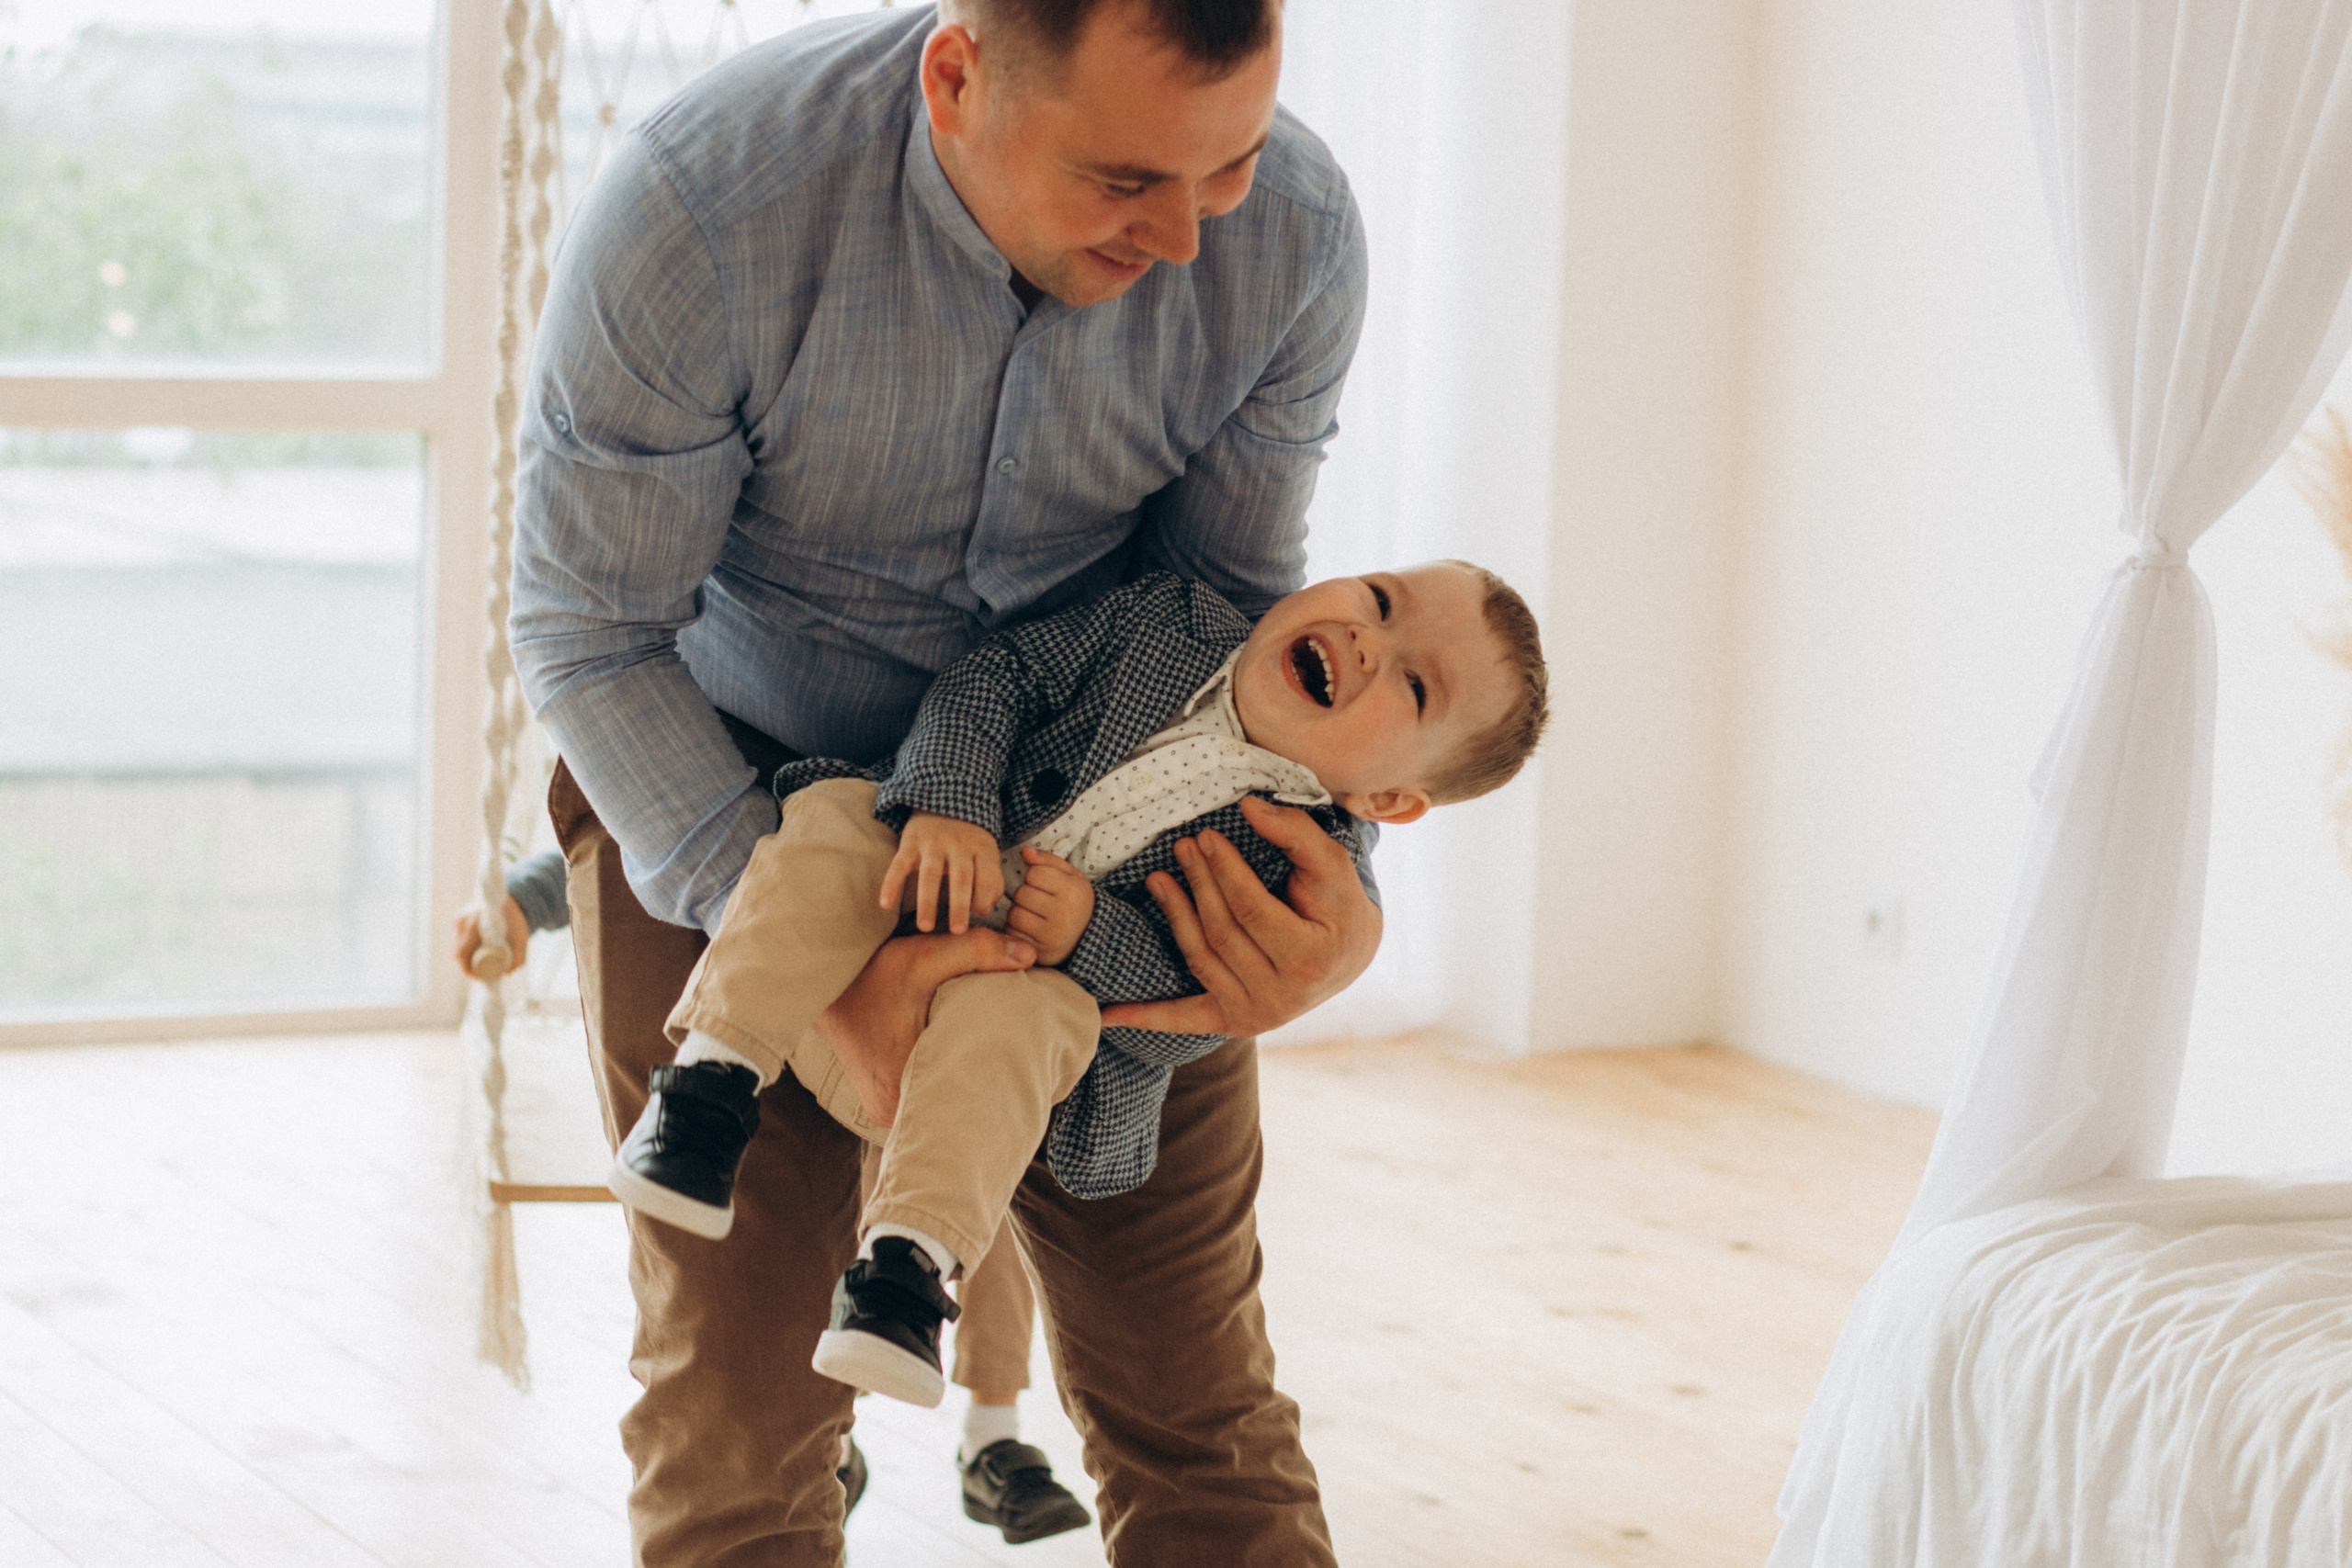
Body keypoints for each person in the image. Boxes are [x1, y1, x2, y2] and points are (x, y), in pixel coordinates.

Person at [510, 1, 1385, 1562]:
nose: (1189, 238)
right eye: (1127, 178)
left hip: (1098, 839)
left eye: (1231, 164)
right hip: (741, 794)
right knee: (737, 1436)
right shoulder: (704, 209)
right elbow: (590, 633)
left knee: (1204, 1421)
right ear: (960, 77)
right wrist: (811, 952)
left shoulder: (1297, 231)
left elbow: (1227, 620)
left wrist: (1336, 921)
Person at [611, 563, 1546, 1411]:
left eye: (1416, 686)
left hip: (965, 1065)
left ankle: (902, 1276)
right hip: (854, 945)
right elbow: (998, 676)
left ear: (1388, 800)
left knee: (1036, 1007)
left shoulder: (1308, 883)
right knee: (838, 815)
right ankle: (705, 1088)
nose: (1367, 642)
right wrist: (952, 806)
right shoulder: (1166, 617)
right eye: (1379, 600)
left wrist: (1091, 932)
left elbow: (1187, 1014)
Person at [455, 858, 1092, 1544]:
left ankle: (991, 1434)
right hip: (843, 1008)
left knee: (961, 1209)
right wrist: (522, 899)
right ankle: (834, 1433)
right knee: (824, 1235)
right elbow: (634, 827)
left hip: (965, 1017)